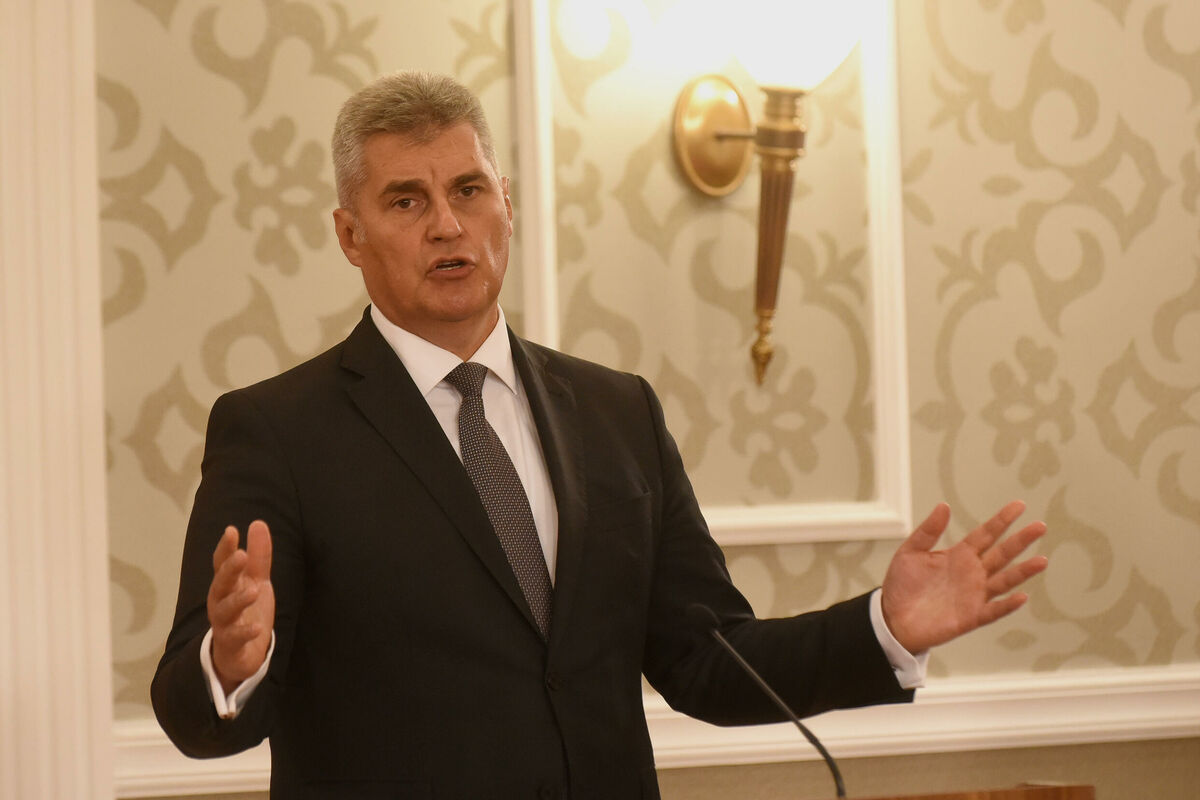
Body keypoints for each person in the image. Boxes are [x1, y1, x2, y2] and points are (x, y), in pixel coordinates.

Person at [152, 71, 1048, 799]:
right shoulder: (278, 432)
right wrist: (232, 660)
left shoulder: (618, 412)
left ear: (507, 202)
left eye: (468, 190)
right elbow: (192, 713)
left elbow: (706, 660)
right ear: (350, 235)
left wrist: (882, 627)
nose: (448, 225)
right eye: (406, 201)